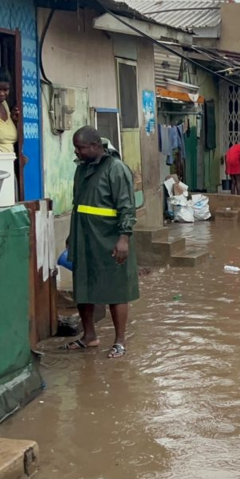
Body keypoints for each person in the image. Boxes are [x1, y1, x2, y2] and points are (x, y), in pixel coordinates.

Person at [62, 126, 140, 359]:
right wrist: (71, 235)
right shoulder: (81, 168)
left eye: (81, 148)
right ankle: (89, 336)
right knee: (83, 288)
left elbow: (127, 206)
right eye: (75, 147)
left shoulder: (116, 169)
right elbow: (79, 204)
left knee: (116, 289)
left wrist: (123, 238)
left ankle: (120, 341)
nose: (77, 152)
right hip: (83, 238)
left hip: (109, 238)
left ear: (96, 146)